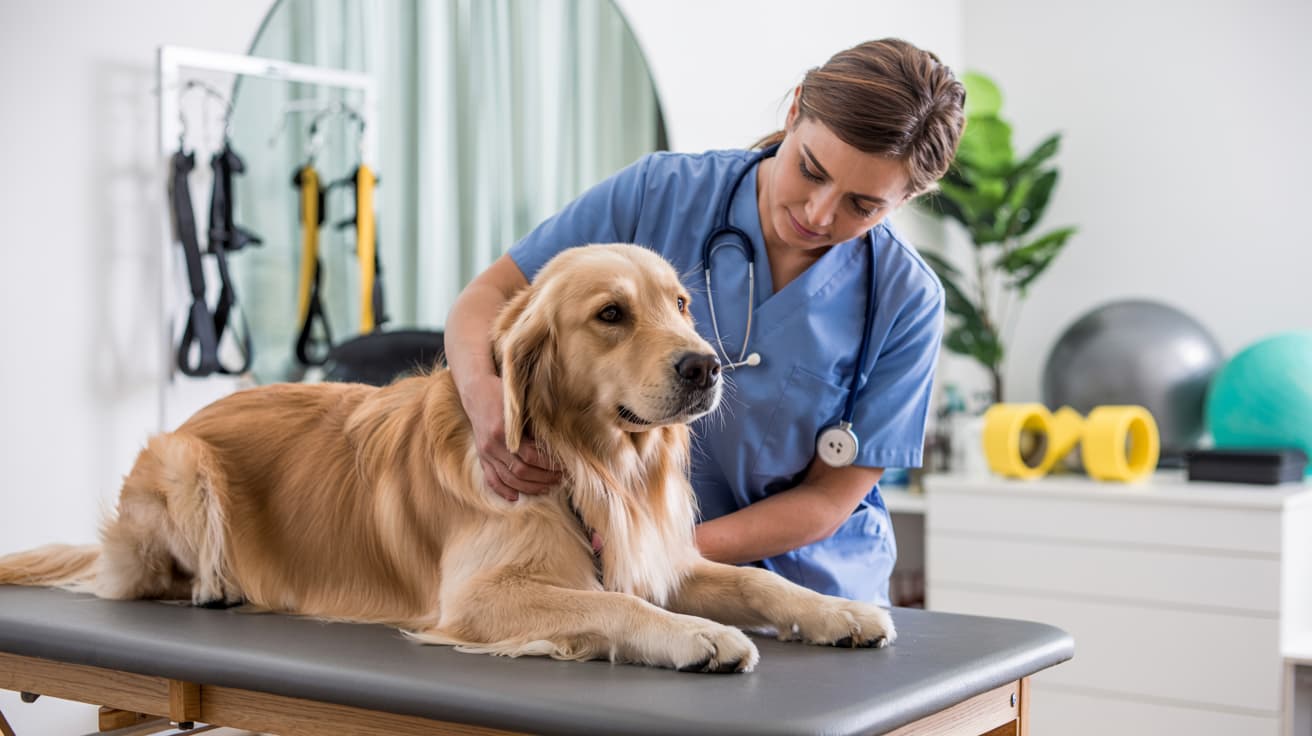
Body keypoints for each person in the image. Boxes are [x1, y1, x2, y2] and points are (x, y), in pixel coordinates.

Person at [444, 38, 965, 606]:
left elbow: (828, 499)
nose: (818, 213)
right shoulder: (658, 194)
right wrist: (482, 394)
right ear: (793, 113)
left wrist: (660, 552)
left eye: (862, 206)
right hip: (623, 576)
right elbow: (487, 296)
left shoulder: (907, 299)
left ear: (909, 198)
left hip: (811, 590)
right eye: (810, 170)